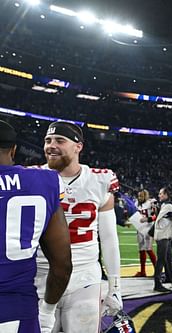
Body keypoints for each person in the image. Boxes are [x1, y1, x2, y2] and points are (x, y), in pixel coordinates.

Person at [36, 121, 123, 332]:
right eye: (48, 140)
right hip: (40, 277)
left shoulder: (99, 180)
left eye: (59, 140)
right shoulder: (33, 177)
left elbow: (109, 237)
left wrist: (115, 285)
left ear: (78, 146)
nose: (51, 145)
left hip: (85, 278)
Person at [0, 120, 72, 333]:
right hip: (17, 311)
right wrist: (48, 311)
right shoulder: (43, 182)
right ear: (13, 150)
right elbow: (63, 265)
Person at [134, 189, 157, 277]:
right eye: (138, 196)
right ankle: (143, 271)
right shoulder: (136, 203)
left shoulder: (151, 203)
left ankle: (157, 270)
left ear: (145, 196)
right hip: (139, 228)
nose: (139, 198)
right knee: (141, 250)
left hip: (148, 228)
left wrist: (147, 219)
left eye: (141, 196)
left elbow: (156, 215)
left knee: (148, 248)